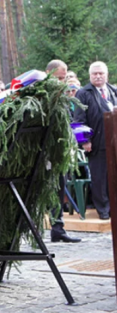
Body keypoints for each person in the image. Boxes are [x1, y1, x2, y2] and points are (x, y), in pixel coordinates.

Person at [74, 61, 117, 220]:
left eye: (101, 73)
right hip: (96, 142)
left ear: (107, 75)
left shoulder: (113, 90)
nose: (98, 76)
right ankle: (103, 209)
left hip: (114, 142)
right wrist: (84, 141)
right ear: (90, 75)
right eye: (95, 74)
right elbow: (78, 120)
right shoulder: (83, 93)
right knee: (99, 178)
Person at [46, 60, 81, 243]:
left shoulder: (64, 96)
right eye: (59, 77)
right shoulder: (44, 96)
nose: (61, 81)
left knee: (59, 188)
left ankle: (57, 228)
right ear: (49, 74)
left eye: (64, 78)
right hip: (46, 153)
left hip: (61, 151)